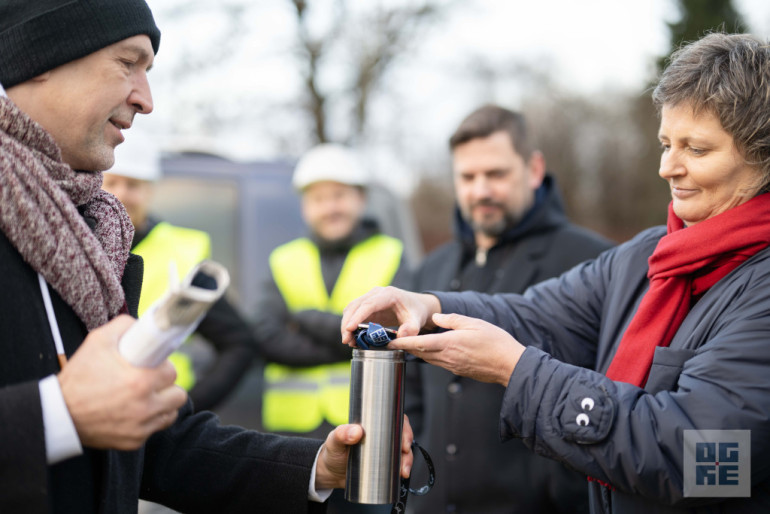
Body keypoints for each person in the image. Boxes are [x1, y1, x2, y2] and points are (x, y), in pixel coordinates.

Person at [0, 2, 412, 512]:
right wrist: (57, 417)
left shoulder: (89, 229)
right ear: (43, 55)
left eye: (147, 71)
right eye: (128, 63)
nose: (146, 100)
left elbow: (153, 449)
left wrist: (315, 467)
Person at [342, 32, 770, 514]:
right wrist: (431, 306)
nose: (667, 167)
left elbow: (703, 463)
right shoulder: (647, 256)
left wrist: (516, 370)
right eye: (666, 143)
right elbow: (537, 316)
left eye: (696, 149)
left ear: (760, 155)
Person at [406, 105, 613, 513]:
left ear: (534, 170)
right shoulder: (430, 268)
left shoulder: (591, 262)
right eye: (467, 177)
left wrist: (556, 488)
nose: (481, 190)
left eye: (496, 174)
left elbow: (610, 390)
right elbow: (412, 389)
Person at [254, 142, 410, 439]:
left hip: (367, 420)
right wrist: (354, 341)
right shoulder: (283, 259)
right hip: (291, 432)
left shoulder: (390, 254)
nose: (330, 207)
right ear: (305, 206)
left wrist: (305, 319)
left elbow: (394, 333)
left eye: (339, 196)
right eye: (318, 199)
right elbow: (266, 337)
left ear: (361, 199)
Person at [103, 130, 257, 412]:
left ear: (150, 191)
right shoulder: (73, 246)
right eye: (112, 182)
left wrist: (185, 410)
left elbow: (239, 343)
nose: (121, 193)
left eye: (133, 184)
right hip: (88, 410)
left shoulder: (183, 253)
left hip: (156, 417)